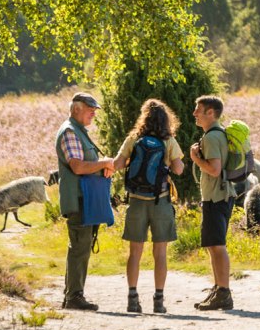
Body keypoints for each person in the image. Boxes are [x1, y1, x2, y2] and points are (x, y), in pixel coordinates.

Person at [112, 98, 184, 314]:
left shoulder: (134, 139)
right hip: (160, 200)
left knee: (135, 252)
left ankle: (132, 298)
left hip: (136, 201)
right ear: (166, 120)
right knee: (160, 252)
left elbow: (117, 164)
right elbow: (179, 170)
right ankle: (158, 300)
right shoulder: (168, 140)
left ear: (143, 117)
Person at [54, 91, 114, 311]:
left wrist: (102, 166)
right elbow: (78, 166)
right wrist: (104, 163)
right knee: (80, 247)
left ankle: (72, 294)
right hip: (79, 199)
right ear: (76, 108)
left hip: (84, 198)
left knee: (80, 246)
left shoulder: (78, 131)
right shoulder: (70, 132)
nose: (93, 114)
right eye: (90, 110)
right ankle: (74, 297)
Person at [189, 95, 233, 311]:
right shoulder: (216, 134)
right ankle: (218, 289)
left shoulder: (212, 138)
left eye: (198, 110)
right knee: (212, 245)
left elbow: (214, 170)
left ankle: (224, 292)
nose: (195, 113)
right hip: (219, 195)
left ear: (210, 112)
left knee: (217, 245)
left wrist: (195, 159)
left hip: (216, 196)